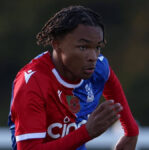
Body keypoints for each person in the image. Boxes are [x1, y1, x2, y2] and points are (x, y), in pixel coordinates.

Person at [8, 5, 139, 150]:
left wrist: (131, 132)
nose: (93, 57)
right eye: (83, 47)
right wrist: (86, 132)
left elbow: (111, 83)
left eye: (97, 47)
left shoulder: (98, 68)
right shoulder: (32, 83)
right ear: (56, 44)